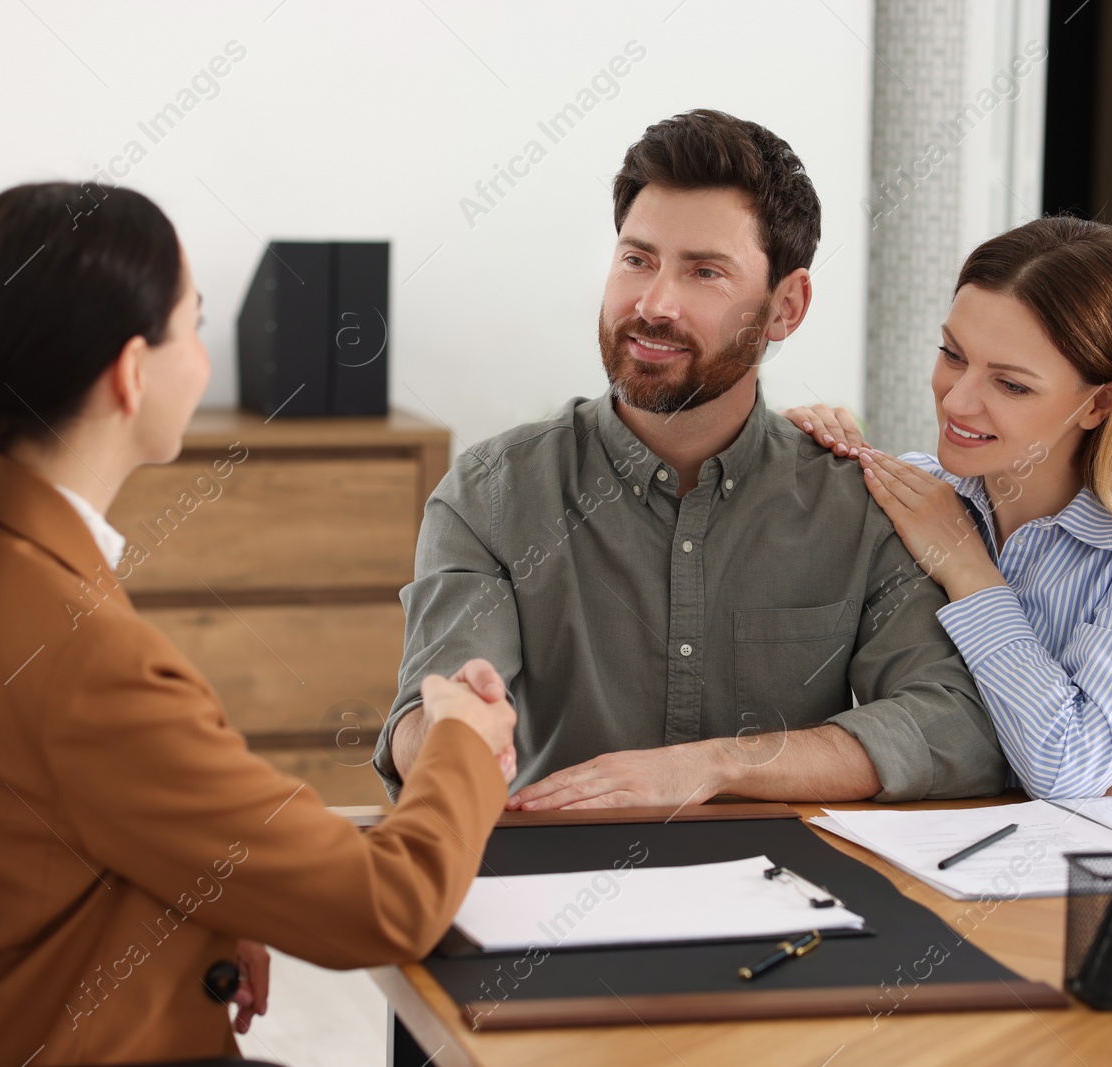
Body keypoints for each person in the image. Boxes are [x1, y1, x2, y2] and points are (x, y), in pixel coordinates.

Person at [0, 182, 517, 1067]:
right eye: (196, 323)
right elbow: (387, 902)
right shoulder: (76, 651)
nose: (208, 361)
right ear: (132, 371)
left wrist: (203, 911)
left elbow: (18, 861)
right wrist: (459, 739)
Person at [373, 110, 1005, 809]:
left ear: (785, 307)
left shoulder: (859, 505)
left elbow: (952, 727)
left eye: (704, 272)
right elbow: (422, 718)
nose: (654, 303)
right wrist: (446, 731)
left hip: (793, 898)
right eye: (637, 259)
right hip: (554, 886)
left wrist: (715, 766)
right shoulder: (492, 494)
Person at [782, 217, 1112, 799]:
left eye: (1012, 385)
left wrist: (969, 569)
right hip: (963, 860)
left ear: (1100, 404)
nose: (959, 399)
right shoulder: (922, 491)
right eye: (952, 354)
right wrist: (796, 456)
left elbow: (1067, 766)